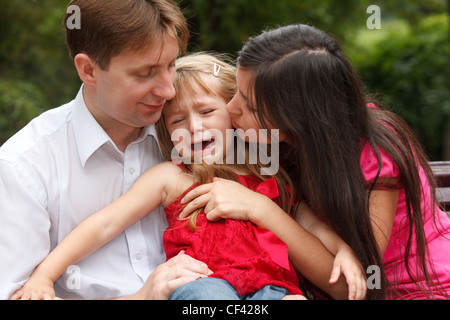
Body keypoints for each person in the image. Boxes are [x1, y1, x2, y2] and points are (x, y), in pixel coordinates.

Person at [10, 53, 367, 301]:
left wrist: (343, 251)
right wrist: (45, 275)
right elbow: (104, 224)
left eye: (207, 111)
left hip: (271, 286)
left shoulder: (269, 174)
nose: (194, 127)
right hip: (202, 282)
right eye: (177, 120)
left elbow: (312, 227)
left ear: (233, 110)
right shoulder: (173, 177)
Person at [179, 24, 450, 300]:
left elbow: (354, 288)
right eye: (236, 90)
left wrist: (260, 208)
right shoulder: (268, 142)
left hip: (415, 290)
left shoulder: (375, 151)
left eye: (249, 105)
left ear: (296, 119)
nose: (230, 107)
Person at [0, 0, 212, 300]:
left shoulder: (198, 136)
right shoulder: (23, 166)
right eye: (145, 73)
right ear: (88, 70)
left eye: (171, 65)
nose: (169, 90)